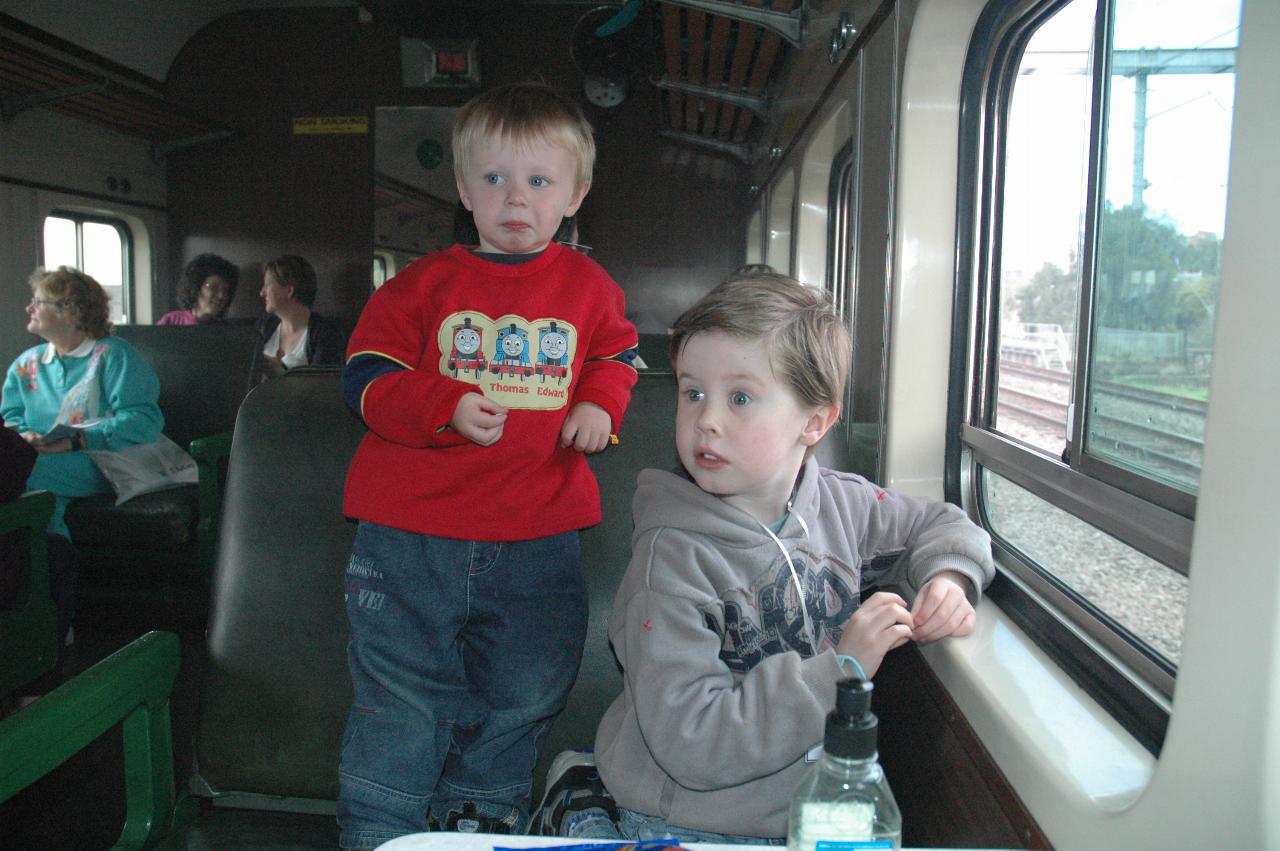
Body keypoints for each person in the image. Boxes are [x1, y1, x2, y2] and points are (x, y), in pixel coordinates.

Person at [533, 272, 994, 843]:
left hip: (806, 807)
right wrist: (840, 668)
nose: (706, 419)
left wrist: (950, 578)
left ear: (814, 422)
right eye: (692, 392)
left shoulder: (842, 505)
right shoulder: (672, 560)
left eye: (741, 398)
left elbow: (943, 523)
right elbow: (691, 743)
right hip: (694, 819)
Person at [336, 81, 639, 849]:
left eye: (539, 181)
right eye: (495, 179)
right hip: (410, 536)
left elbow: (616, 356)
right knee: (400, 695)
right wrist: (442, 403)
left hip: (539, 533)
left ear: (575, 194)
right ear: (465, 189)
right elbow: (365, 379)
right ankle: (380, 826)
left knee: (529, 686)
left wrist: (599, 407)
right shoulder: (420, 286)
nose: (516, 199)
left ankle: (480, 811)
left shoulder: (590, 288)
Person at [1, 267, 163, 692]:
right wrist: (25, 436)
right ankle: (47, 614)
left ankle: (48, 612)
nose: (29, 308)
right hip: (44, 462)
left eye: (39, 302)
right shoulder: (27, 365)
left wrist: (76, 439)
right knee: (39, 495)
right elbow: (11, 418)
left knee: (27, 475)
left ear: (72, 313)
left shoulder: (113, 356)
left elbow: (143, 419)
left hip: (102, 460)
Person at [249, 254, 347, 384]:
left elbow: (322, 387)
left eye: (267, 285)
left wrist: (277, 370)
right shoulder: (262, 326)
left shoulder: (326, 333)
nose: (262, 292)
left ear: (289, 291)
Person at [157, 253, 239, 325]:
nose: (222, 295)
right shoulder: (172, 321)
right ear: (196, 287)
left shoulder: (226, 330)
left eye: (225, 290)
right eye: (213, 287)